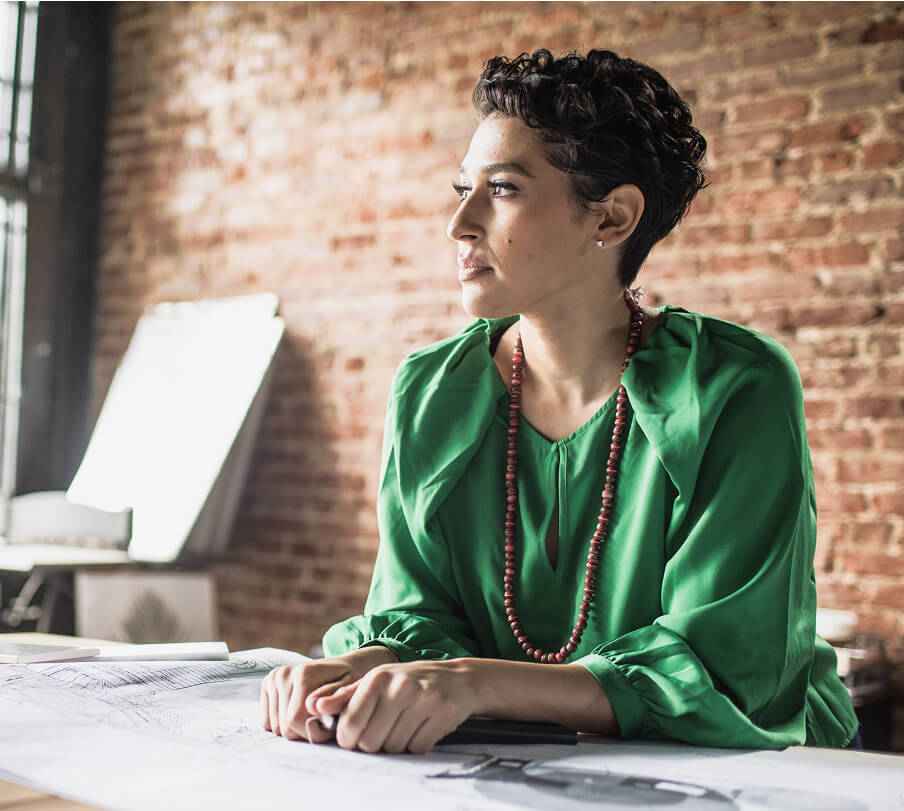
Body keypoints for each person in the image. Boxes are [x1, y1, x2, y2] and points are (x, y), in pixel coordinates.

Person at [261, 49, 859, 755]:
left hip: (763, 774)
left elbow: (729, 667)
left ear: (611, 218)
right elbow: (413, 612)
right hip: (508, 768)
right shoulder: (431, 390)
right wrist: (368, 661)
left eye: (504, 189)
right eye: (462, 187)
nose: (459, 223)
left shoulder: (733, 387)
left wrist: (475, 682)